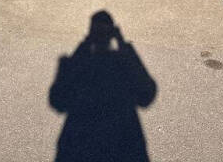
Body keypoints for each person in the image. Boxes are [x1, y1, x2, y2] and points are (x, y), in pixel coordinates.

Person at [49, 11, 157, 162]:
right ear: (113, 34)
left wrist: (84, 45)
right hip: (123, 147)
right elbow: (146, 95)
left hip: (79, 148)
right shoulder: (123, 65)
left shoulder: (80, 64)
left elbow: (58, 100)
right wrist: (122, 44)